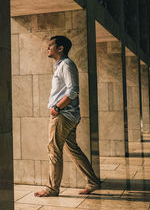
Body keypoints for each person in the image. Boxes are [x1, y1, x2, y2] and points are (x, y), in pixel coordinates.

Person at [34, 35, 101, 197]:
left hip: (63, 115)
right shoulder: (60, 66)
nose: (47, 48)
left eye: (50, 45)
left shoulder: (66, 65)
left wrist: (57, 107)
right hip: (68, 115)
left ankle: (52, 188)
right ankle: (93, 182)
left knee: (54, 150)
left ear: (60, 48)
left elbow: (73, 90)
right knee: (73, 150)